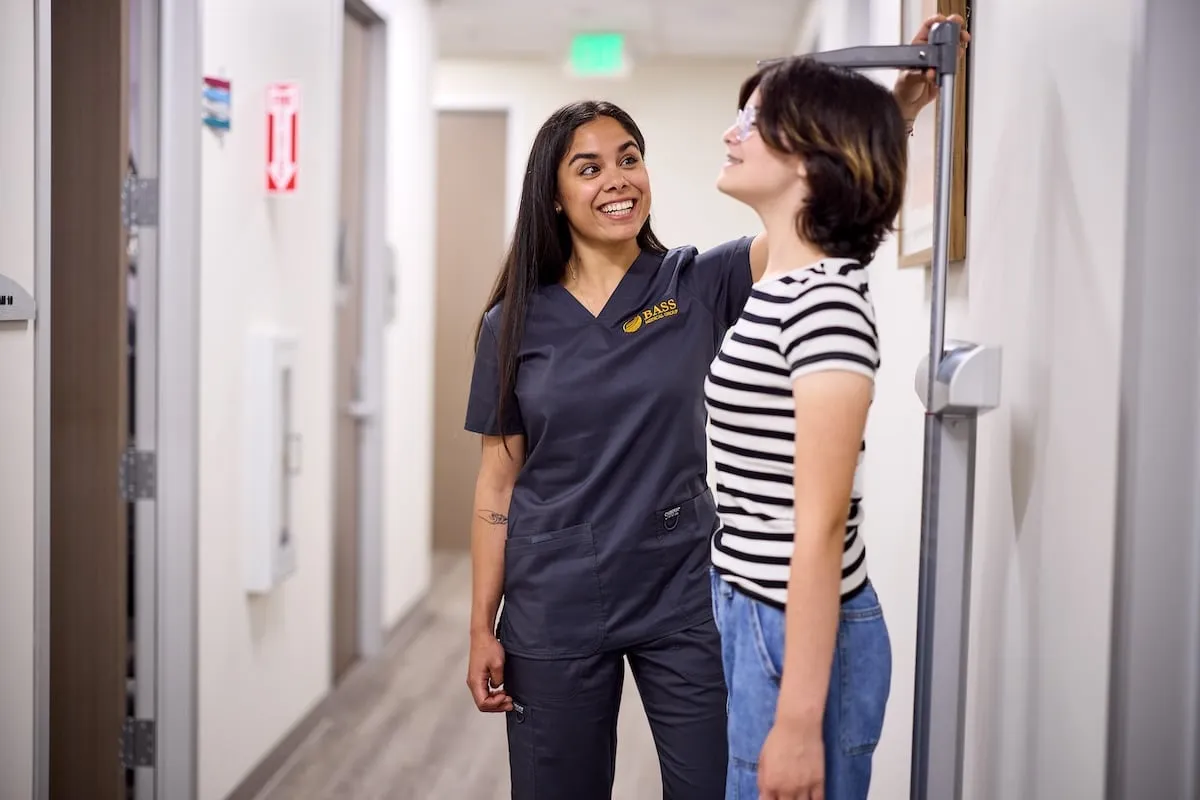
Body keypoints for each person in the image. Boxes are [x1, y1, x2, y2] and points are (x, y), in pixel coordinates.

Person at [463, 16, 969, 800]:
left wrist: (896, 110)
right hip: (554, 600)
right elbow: (497, 487)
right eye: (589, 168)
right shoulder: (514, 324)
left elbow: (816, 212)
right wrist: (479, 625)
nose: (617, 180)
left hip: (684, 595)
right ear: (555, 196)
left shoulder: (698, 283)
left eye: (629, 159)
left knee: (714, 784)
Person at [706, 57, 910, 800]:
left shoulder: (824, 308)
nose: (731, 134)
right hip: (750, 607)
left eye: (754, 122)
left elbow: (820, 527)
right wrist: (898, 109)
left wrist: (797, 723)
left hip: (791, 629)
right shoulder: (780, 283)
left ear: (813, 157)